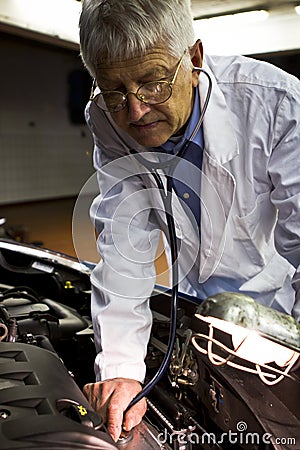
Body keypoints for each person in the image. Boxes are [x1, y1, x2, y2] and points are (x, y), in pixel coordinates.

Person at [79, 0, 300, 442]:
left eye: (153, 83)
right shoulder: (107, 115)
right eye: (115, 90)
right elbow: (124, 244)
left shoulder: (276, 103)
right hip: (193, 305)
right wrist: (122, 369)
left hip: (274, 307)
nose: (136, 112)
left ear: (194, 58)